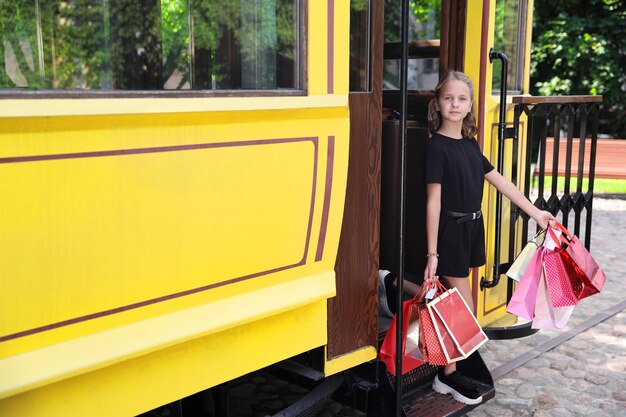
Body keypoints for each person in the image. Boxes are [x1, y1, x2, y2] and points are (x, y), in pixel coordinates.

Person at [379, 69, 555, 405]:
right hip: (450, 233)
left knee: (452, 304)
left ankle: (397, 282)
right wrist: (433, 255)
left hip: (473, 229)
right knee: (462, 311)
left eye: (462, 98)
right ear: (438, 103)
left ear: (471, 104)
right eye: (448, 98)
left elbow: (501, 181)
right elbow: (433, 201)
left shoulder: (470, 145)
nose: (455, 104)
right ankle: (448, 376)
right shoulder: (436, 147)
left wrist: (536, 213)